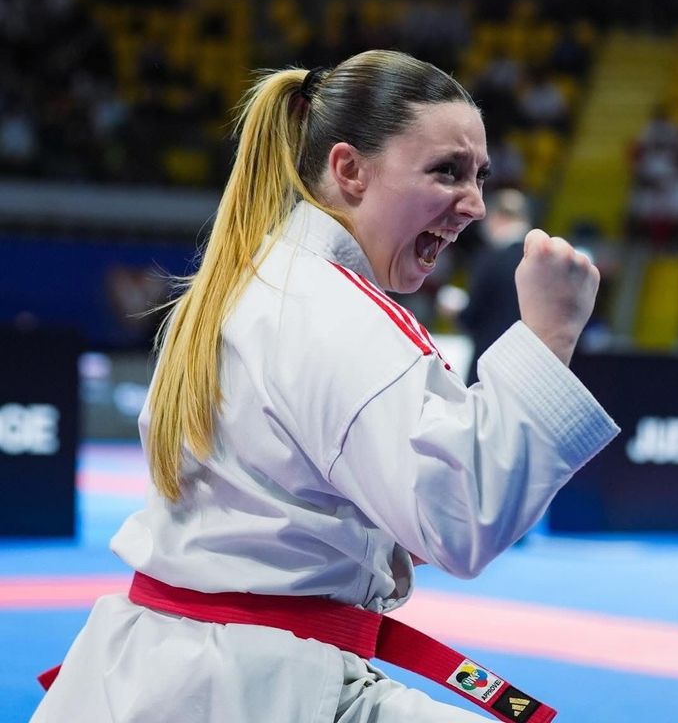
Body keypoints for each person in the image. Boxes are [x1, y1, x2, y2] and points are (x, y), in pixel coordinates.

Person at [31, 50, 619, 723]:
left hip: (175, 670)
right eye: (447, 171)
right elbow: (464, 519)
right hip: (255, 687)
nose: (475, 205)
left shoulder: (256, 280)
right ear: (350, 170)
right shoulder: (332, 312)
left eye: (480, 176)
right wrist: (549, 335)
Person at [454, 188, 532, 385]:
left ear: (498, 217)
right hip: (528, 368)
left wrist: (455, 311)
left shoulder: (489, 259)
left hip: (488, 364)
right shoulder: (542, 261)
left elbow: (471, 316)